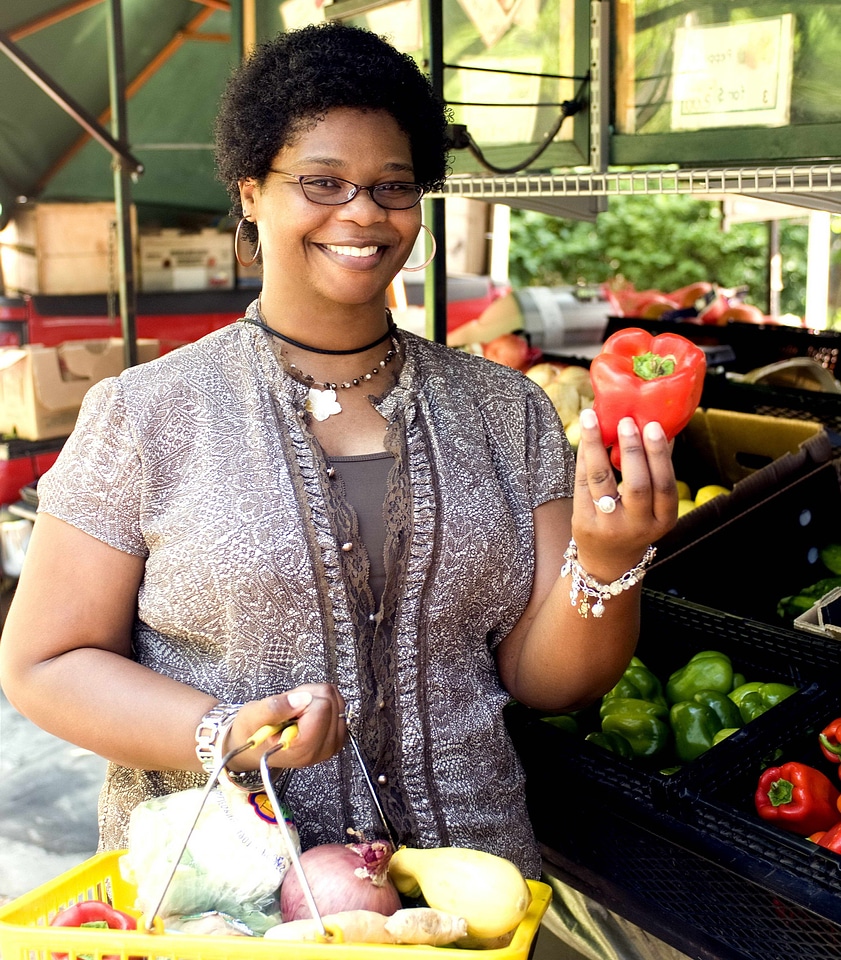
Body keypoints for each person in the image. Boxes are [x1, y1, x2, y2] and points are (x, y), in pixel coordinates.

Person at [0, 21, 678, 883]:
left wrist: (608, 563)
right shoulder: (145, 414)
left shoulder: (506, 413)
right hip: (226, 898)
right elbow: (43, 663)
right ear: (250, 192)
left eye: (393, 187)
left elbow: (547, 683)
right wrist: (223, 732)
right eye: (322, 182)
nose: (362, 212)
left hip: (465, 893)